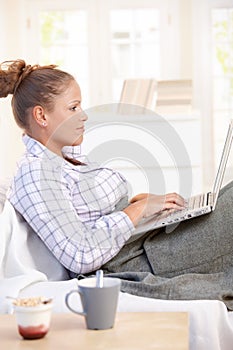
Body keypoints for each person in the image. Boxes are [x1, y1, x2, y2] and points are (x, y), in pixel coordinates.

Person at [1, 59, 233, 307]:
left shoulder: (65, 159)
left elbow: (87, 213)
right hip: (140, 256)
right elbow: (81, 253)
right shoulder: (36, 174)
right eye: (73, 108)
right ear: (41, 115)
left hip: (146, 240)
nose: (83, 115)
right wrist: (137, 210)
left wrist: (140, 202)